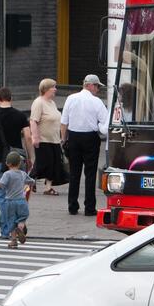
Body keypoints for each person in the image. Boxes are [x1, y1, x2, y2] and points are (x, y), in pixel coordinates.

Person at [0, 87, 33, 239]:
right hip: (18, 158)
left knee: (2, 196)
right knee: (19, 194)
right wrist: (30, 157)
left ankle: (7, 230)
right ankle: (19, 223)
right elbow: (28, 137)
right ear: (11, 98)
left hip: (0, 160)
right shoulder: (20, 115)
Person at [60, 74, 109, 216]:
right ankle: (89, 207)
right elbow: (104, 123)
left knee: (74, 173)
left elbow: (64, 122)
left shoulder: (71, 99)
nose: (98, 90)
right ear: (91, 85)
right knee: (90, 173)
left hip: (73, 137)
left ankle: (72, 206)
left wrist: (64, 140)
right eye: (97, 86)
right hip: (90, 138)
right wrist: (100, 128)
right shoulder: (97, 102)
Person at [0, 151, 34, 249]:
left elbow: (0, 185)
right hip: (21, 201)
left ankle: (14, 240)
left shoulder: (7, 174)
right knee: (22, 217)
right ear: (19, 163)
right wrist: (31, 183)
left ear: (7, 163)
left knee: (11, 220)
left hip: (10, 202)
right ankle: (20, 228)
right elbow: (31, 181)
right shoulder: (23, 174)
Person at [29, 78, 65, 196]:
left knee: (54, 163)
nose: (55, 89)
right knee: (44, 163)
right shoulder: (39, 102)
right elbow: (33, 121)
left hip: (54, 139)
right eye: (53, 87)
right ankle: (29, 180)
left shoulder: (52, 103)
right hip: (43, 139)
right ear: (45, 89)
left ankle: (48, 187)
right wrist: (35, 137)